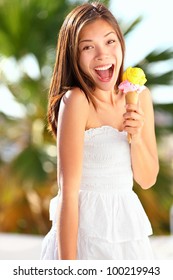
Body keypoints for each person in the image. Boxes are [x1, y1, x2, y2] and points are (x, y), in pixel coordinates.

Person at [40, 2, 159, 260]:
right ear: (73, 54)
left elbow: (147, 180)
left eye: (109, 42)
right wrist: (68, 270)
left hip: (127, 240)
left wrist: (136, 137)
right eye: (87, 47)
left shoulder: (140, 97)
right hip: (83, 238)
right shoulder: (76, 101)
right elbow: (68, 194)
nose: (102, 55)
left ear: (121, 43)